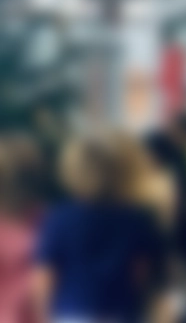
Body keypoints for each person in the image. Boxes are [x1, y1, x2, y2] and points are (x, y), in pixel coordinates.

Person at [32, 130, 167, 323]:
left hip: (70, 312)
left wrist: (43, 315)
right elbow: (144, 275)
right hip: (122, 312)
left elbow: (45, 277)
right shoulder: (139, 219)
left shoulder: (60, 217)